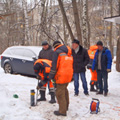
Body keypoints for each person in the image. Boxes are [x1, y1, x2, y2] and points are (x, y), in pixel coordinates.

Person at [49, 41, 73, 116]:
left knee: (59, 93)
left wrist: (51, 75)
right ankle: (66, 106)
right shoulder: (68, 52)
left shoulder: (57, 52)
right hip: (69, 75)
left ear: (55, 46)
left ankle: (62, 111)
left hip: (61, 75)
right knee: (64, 90)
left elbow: (54, 66)